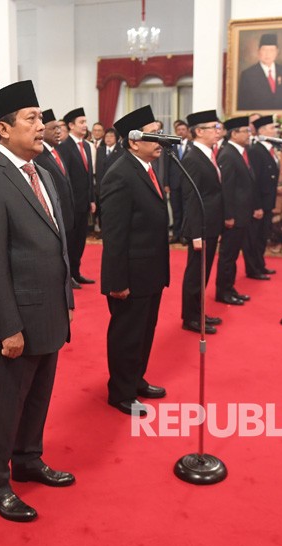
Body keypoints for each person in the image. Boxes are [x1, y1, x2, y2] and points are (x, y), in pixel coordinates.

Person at [0, 80, 75, 523]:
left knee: (38, 398)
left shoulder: (42, 171)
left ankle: (28, 460)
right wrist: (6, 325)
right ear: (3, 130)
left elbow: (58, 242)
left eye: (41, 116)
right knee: (2, 405)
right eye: (31, 118)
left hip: (48, 309)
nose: (41, 125)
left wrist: (66, 296)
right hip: (14, 319)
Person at [100, 105, 169, 417]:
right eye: (153, 134)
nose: (160, 139)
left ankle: (136, 379)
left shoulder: (146, 168)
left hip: (151, 270)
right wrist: (117, 281)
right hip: (130, 274)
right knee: (128, 333)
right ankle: (121, 392)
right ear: (133, 141)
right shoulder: (120, 175)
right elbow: (114, 235)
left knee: (145, 330)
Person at [181, 110, 225, 330]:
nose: (218, 132)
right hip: (201, 227)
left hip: (212, 224)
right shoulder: (192, 158)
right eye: (213, 128)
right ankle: (191, 318)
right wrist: (196, 233)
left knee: (204, 272)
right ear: (199, 131)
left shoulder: (209, 153)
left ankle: (199, 312)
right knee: (195, 274)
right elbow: (191, 198)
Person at [216, 117, 259, 307]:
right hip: (233, 216)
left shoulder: (241, 152)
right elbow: (226, 189)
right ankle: (223, 291)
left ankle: (230, 288)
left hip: (243, 214)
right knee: (228, 255)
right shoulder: (228, 154)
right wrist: (228, 216)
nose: (249, 135)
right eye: (246, 131)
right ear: (234, 133)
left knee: (233, 255)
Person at [57, 107, 96, 286]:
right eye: (81, 122)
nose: (85, 125)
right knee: (71, 241)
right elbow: (65, 178)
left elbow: (90, 176)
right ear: (71, 125)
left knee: (81, 240)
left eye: (85, 122)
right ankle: (68, 276)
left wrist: (92, 199)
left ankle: (77, 272)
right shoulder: (64, 147)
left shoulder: (87, 146)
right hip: (71, 205)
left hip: (84, 203)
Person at [34, 109, 76, 273]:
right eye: (54, 129)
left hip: (66, 212)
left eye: (59, 128)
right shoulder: (39, 155)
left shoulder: (54, 150)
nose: (58, 132)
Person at [246, 115, 279, 278]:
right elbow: (254, 181)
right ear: (262, 131)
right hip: (259, 203)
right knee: (254, 238)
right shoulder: (255, 151)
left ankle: (260, 265)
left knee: (262, 237)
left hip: (268, 202)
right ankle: (253, 269)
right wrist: (256, 205)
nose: (276, 130)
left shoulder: (271, 149)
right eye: (272, 128)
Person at [237, 33, 282, 111]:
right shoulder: (248, 75)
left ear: (277, 52)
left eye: (271, 50)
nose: (267, 54)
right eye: (264, 50)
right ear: (258, 51)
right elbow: (243, 105)